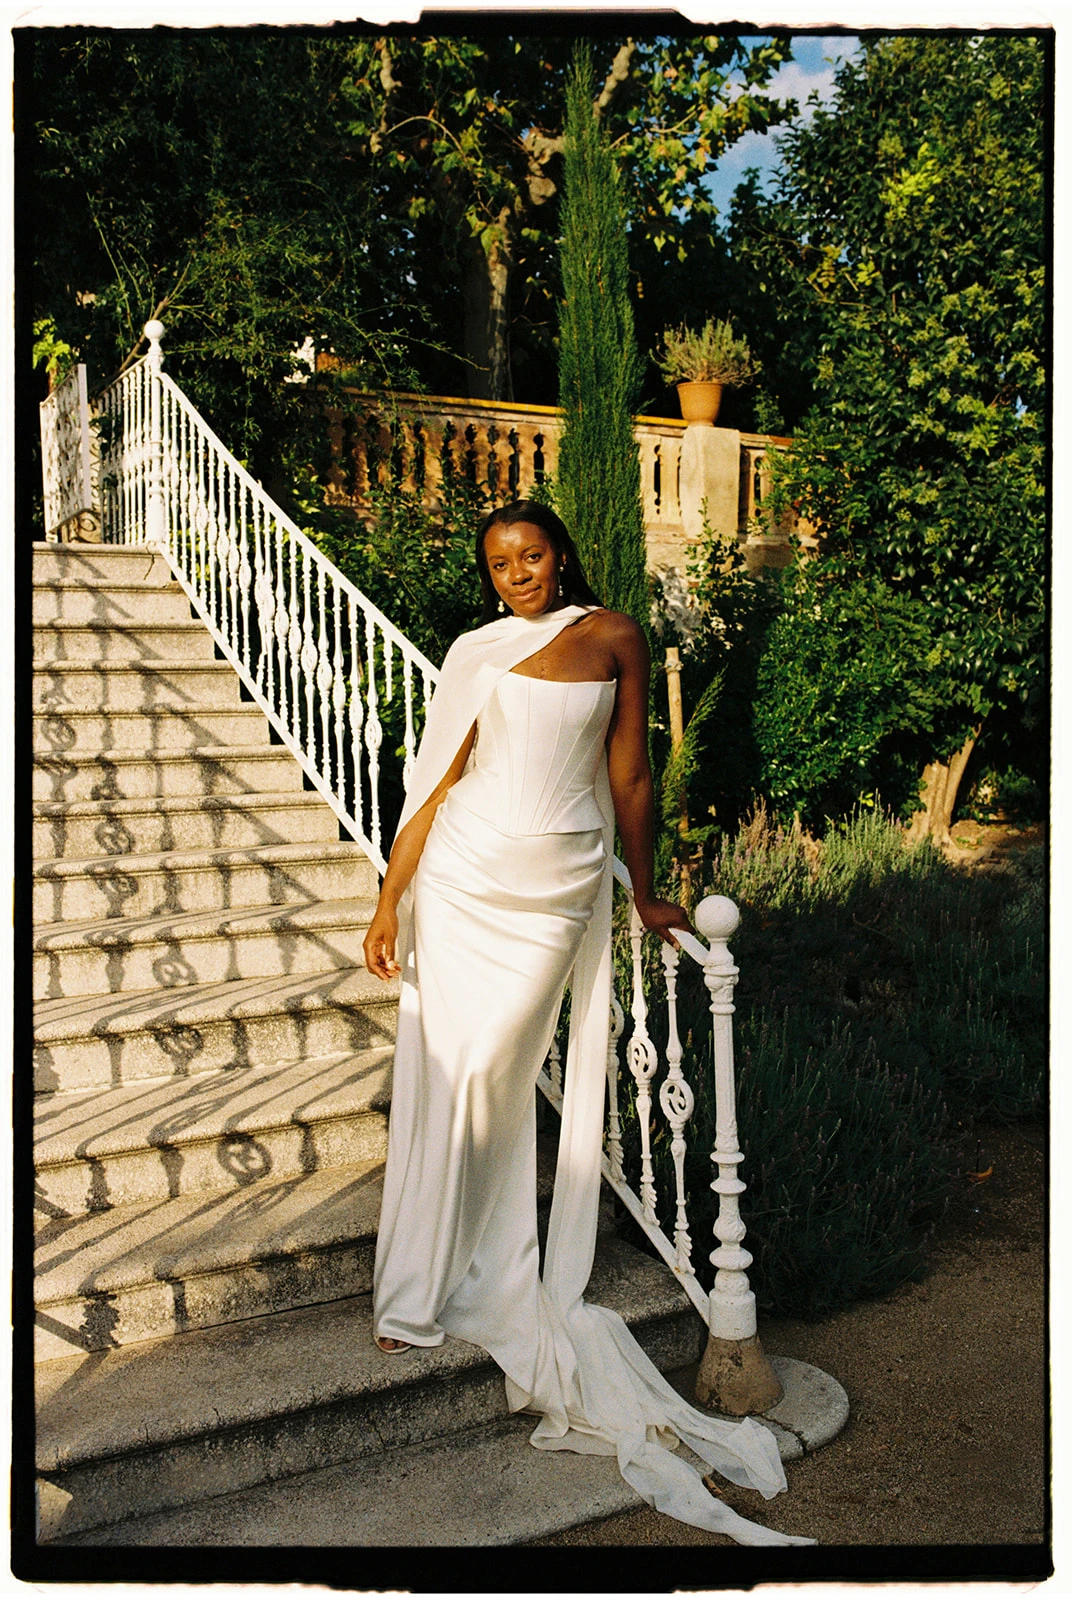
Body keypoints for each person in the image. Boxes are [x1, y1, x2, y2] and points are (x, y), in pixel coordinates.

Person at [362, 501, 812, 1546]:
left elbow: (631, 772)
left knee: (496, 1074)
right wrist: (391, 899)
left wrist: (647, 890)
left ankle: (468, 1266)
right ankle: (416, 1285)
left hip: (560, 881)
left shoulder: (613, 633)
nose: (514, 575)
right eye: (498, 564)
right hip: (466, 875)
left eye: (529, 556)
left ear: (559, 553)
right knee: (455, 1071)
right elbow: (435, 783)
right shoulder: (478, 650)